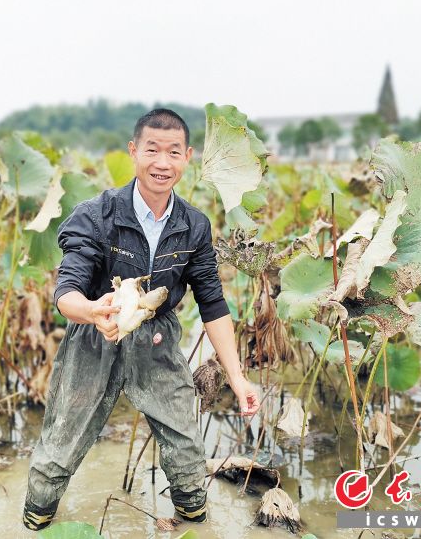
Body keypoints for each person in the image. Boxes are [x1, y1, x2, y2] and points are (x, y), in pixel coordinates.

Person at [22, 108, 259, 531]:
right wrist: (94, 310)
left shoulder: (194, 226)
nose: (162, 163)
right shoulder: (97, 214)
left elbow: (213, 303)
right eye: (152, 150)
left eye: (173, 152)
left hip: (157, 339)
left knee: (187, 449)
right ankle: (34, 520)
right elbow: (67, 292)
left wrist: (237, 378)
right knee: (60, 445)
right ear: (134, 152)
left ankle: (192, 518)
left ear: (187, 157)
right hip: (96, 332)